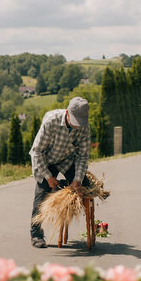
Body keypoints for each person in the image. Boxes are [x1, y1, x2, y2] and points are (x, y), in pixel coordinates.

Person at [29, 96, 92, 248]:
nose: (77, 126)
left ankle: (62, 186)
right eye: (75, 121)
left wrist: (77, 180)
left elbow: (83, 156)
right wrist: (49, 177)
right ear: (67, 113)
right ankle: (36, 235)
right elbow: (36, 152)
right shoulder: (51, 121)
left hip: (66, 159)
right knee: (41, 196)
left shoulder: (84, 127)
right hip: (46, 160)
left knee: (86, 186)